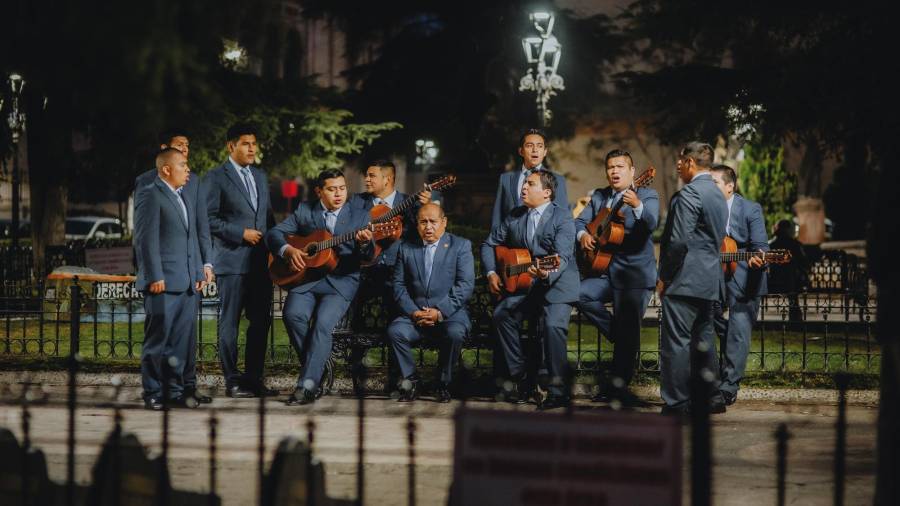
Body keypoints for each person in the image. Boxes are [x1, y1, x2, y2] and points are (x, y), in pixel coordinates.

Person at [264, 169, 375, 405]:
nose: (338, 194)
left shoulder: (360, 216)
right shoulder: (306, 210)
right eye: (332, 189)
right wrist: (289, 250)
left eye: (342, 188)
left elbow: (368, 255)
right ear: (319, 191)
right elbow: (274, 233)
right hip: (309, 278)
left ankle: (307, 385)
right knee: (292, 315)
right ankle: (318, 366)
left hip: (341, 281)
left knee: (323, 325)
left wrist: (365, 244)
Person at [481, 170, 580, 410]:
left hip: (557, 284)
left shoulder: (563, 217)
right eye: (524, 183)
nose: (524, 187)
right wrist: (492, 272)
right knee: (502, 314)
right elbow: (489, 243)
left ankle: (558, 391)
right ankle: (521, 375)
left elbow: (563, 257)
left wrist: (547, 272)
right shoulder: (516, 215)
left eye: (531, 184)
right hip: (527, 283)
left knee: (552, 325)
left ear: (546, 193)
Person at [134, 129, 214, 405]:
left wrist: (198, 272)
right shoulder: (150, 194)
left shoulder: (183, 195)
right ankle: (154, 393)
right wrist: (154, 275)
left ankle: (176, 392)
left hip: (186, 281)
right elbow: (146, 239)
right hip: (163, 281)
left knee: (181, 342)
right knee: (158, 341)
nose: (188, 169)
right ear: (166, 169)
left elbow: (192, 237)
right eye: (182, 165)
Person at [575, 149, 659, 406]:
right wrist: (584, 236)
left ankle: (617, 387)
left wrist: (638, 206)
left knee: (627, 325)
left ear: (633, 172)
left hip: (635, 274)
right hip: (606, 271)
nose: (614, 171)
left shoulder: (647, 194)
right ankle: (623, 337)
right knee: (579, 294)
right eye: (610, 167)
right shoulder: (600, 196)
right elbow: (578, 223)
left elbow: (652, 222)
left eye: (620, 166)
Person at [202, 123, 276, 398]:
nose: (252, 148)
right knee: (229, 323)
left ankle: (253, 380)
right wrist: (239, 233)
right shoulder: (215, 177)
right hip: (231, 262)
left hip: (260, 264)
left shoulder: (260, 176)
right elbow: (208, 219)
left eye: (254, 143)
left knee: (260, 323)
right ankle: (232, 380)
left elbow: (268, 219)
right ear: (231, 146)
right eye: (246, 143)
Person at [657, 142, 728, 415]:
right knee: (704, 339)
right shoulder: (718, 194)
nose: (677, 166)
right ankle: (712, 396)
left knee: (676, 342)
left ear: (689, 162)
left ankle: (677, 402)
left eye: (680, 161)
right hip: (708, 278)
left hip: (684, 279)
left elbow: (677, 242)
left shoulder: (690, 194)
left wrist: (664, 277)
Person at [387, 203, 475, 403]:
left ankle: (443, 383)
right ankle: (412, 381)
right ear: (417, 225)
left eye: (433, 222)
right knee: (395, 331)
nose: (428, 227)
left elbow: (465, 285)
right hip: (415, 315)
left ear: (444, 222)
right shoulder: (406, 248)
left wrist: (439, 311)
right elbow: (398, 286)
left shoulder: (460, 246)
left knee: (455, 333)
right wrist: (413, 312)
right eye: (423, 222)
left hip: (449, 316)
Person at [710, 164, 769, 406]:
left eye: (714, 182)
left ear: (730, 186)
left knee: (739, 327)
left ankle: (728, 386)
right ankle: (720, 367)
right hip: (714, 272)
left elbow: (761, 245)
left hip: (746, 273)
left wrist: (759, 259)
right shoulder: (705, 209)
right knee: (708, 320)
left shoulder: (750, 209)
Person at [349, 160, 435, 313]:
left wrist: (426, 206)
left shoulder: (410, 203)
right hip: (362, 272)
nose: (366, 179)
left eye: (371, 176)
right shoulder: (356, 201)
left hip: (399, 273)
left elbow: (426, 234)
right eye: (366, 175)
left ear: (387, 179)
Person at [490, 129, 569, 231]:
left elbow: (563, 219)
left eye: (540, 146)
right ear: (521, 151)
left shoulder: (558, 180)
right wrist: (494, 245)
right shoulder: (505, 179)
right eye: (529, 145)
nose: (535, 150)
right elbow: (497, 219)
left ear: (545, 152)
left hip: (543, 244)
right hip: (508, 244)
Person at [768, 219, 808, 321]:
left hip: (772, 282)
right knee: (792, 277)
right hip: (792, 283)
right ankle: (795, 316)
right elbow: (804, 263)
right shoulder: (795, 244)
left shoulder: (770, 245)